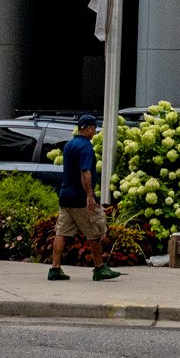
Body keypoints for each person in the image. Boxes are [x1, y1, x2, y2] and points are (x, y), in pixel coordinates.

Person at [46, 112, 119, 283]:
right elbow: (85, 172)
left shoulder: (70, 145)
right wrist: (90, 196)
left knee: (61, 232)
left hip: (65, 196)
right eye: (93, 128)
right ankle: (100, 268)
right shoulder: (86, 146)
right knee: (94, 232)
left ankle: (55, 268)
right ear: (87, 128)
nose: (94, 131)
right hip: (80, 198)